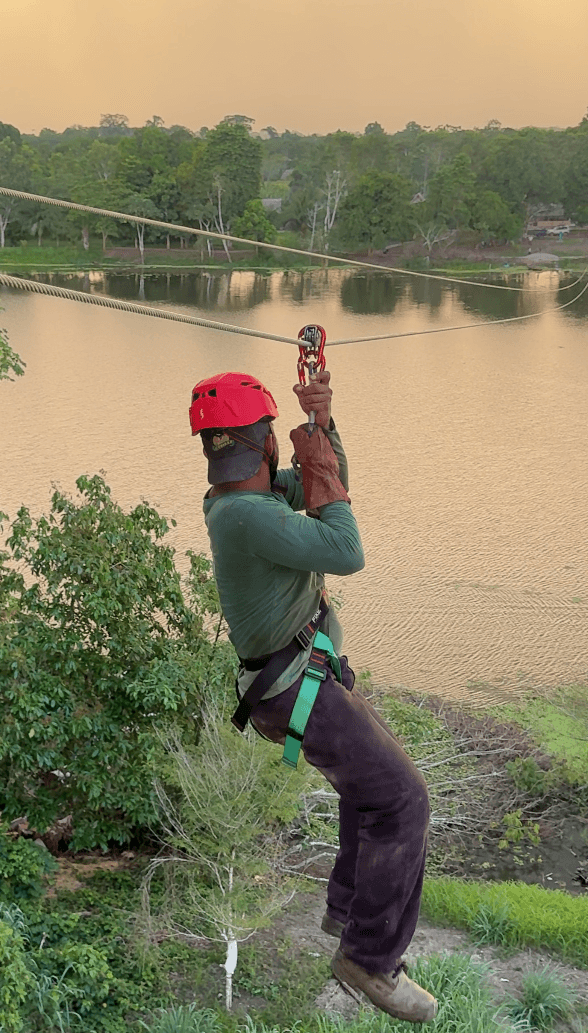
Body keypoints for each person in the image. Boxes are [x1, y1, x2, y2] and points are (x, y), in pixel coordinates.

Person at [190, 369, 437, 1024]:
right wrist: (315, 454)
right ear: (265, 440)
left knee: (370, 792)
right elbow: (346, 548)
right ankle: (369, 960)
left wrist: (322, 426)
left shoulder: (245, 497)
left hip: (301, 677)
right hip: (295, 685)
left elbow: (333, 487)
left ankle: (347, 911)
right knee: (404, 800)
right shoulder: (249, 515)